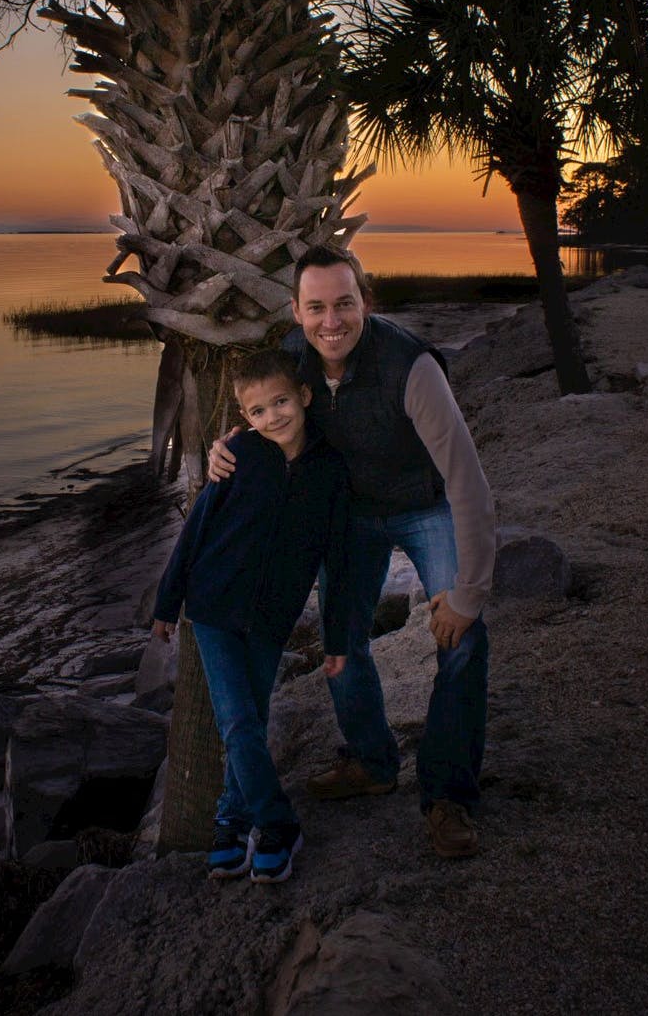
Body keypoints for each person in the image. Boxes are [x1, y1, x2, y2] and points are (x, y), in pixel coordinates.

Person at [209, 245, 495, 859]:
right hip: (350, 517)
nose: (330, 321)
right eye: (316, 308)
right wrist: (224, 448)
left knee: (463, 637)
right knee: (343, 642)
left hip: (425, 504)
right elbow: (263, 417)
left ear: (365, 301)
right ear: (297, 310)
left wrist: (469, 594)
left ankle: (448, 796)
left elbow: (468, 480)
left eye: (344, 303)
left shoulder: (410, 366)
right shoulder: (292, 357)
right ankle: (372, 761)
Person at [152, 348, 351, 884]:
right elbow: (196, 530)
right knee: (238, 722)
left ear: (304, 396)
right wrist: (167, 603)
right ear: (246, 416)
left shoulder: (329, 470)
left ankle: (232, 821)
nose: (274, 418)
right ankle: (277, 822)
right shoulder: (237, 455)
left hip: (270, 619)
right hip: (213, 610)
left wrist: (341, 633)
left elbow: (337, 554)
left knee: (250, 721)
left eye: (282, 402)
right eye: (259, 411)